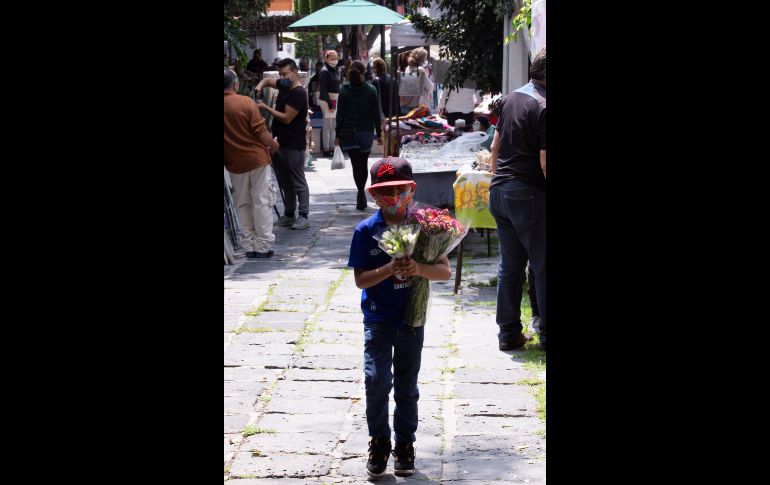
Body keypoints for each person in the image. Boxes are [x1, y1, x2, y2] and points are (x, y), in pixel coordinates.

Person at [347, 157, 452, 478]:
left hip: (411, 321)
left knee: (407, 386)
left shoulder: (426, 226)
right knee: (376, 380)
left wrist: (418, 268)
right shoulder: (366, 231)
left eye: (400, 190)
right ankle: (379, 440)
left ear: (412, 189)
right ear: (373, 194)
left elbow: (444, 272)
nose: (393, 197)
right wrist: (389, 268)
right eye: (385, 192)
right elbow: (361, 280)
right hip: (378, 319)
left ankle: (405, 444)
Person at [488, 48, 546, 351]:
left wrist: (496, 178)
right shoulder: (544, 105)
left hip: (500, 191)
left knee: (510, 266)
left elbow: (494, 148)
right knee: (543, 264)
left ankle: (508, 333)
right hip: (527, 192)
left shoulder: (511, 98)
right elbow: (545, 163)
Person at [223, 69, 280, 258]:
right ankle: (263, 245)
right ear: (235, 84)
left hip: (234, 163)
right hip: (257, 159)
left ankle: (249, 245)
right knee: (262, 201)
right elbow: (260, 131)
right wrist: (273, 145)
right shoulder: (245, 102)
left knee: (242, 203)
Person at [256, 58, 311, 230]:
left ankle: (303, 215)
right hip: (279, 142)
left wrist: (266, 108)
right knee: (285, 180)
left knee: (297, 180)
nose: (282, 78)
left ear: (295, 72)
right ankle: (289, 214)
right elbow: (267, 81)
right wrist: (259, 87)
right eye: (280, 74)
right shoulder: (284, 85)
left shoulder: (299, 93)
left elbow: (287, 118)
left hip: (294, 143)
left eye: (285, 74)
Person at [336, 60, 383, 210]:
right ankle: (362, 192)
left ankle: (360, 192)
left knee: (356, 164)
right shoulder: (371, 90)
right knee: (363, 163)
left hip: (348, 132)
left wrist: (337, 134)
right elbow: (376, 114)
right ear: (364, 72)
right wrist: (379, 133)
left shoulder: (344, 90)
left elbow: (340, 115)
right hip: (366, 132)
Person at [318, 50, 341, 157]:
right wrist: (330, 104)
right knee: (327, 125)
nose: (334, 60)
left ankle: (331, 147)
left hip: (334, 98)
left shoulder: (333, 70)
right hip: (328, 99)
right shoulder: (325, 71)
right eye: (332, 58)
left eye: (336, 58)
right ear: (326, 59)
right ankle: (326, 149)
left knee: (333, 125)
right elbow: (323, 90)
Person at [399, 48, 433, 115]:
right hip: (419, 108)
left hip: (407, 106)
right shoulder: (420, 70)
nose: (426, 60)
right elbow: (430, 87)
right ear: (421, 59)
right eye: (425, 58)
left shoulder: (408, 68)